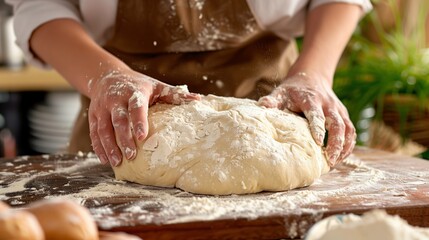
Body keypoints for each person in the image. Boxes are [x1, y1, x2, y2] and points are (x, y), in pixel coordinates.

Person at [6, 0, 372, 168]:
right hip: (126, 123)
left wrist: (315, 75)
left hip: (272, 109)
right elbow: (40, 6)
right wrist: (106, 77)